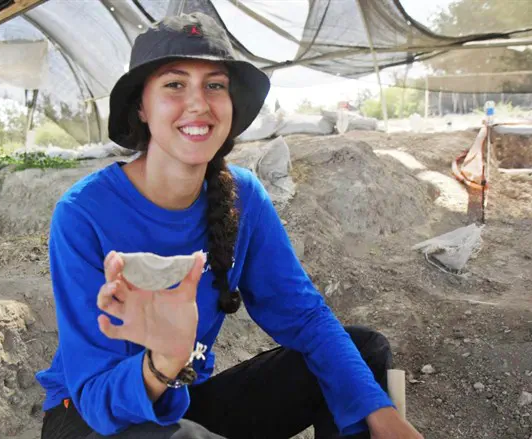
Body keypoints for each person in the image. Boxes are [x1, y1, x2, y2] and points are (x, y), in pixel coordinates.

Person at [36, 12, 424, 439]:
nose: (198, 103)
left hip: (183, 399)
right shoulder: (84, 213)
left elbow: (305, 318)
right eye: (174, 84)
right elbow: (95, 399)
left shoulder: (243, 198)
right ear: (141, 107)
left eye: (215, 85)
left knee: (361, 356)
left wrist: (381, 413)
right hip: (91, 416)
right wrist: (163, 360)